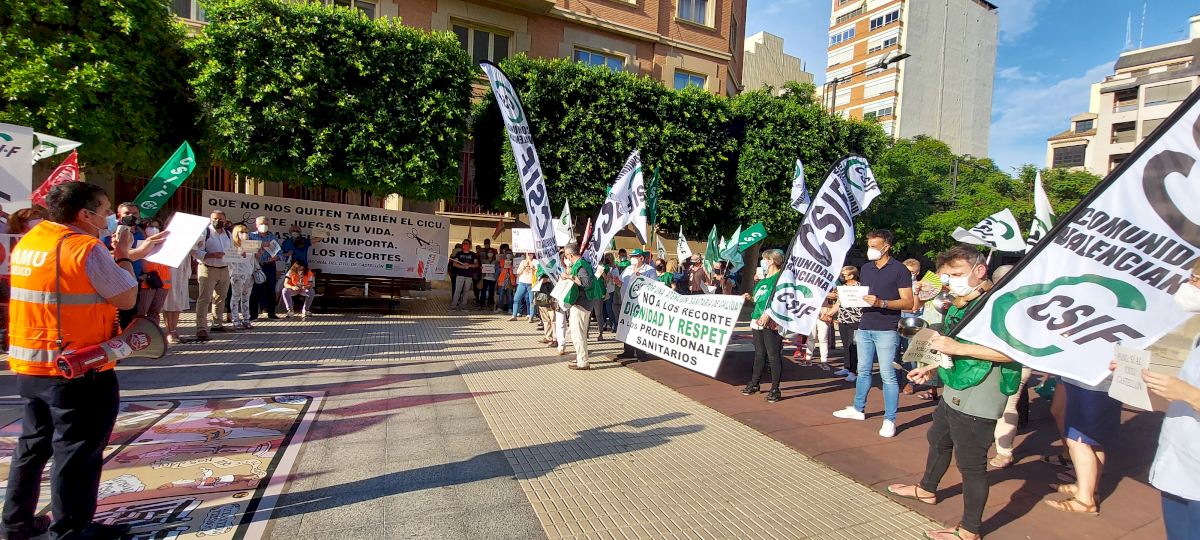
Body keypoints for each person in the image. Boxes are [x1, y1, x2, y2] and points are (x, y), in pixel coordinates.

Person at [3, 182, 166, 540]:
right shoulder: (85, 247)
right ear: (85, 214)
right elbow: (126, 298)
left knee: (32, 445)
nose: (108, 218)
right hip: (78, 366)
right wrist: (123, 256)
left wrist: (127, 254)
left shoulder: (33, 240)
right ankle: (71, 529)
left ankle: (16, 524)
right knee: (77, 450)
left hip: (32, 362)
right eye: (104, 210)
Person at [885, 245, 1021, 540]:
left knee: (971, 464)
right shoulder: (962, 303)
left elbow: (1013, 352)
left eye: (956, 274)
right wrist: (931, 368)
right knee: (938, 438)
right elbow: (953, 346)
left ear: (980, 270)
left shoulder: (1000, 304)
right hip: (955, 384)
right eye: (946, 276)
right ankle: (927, 489)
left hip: (980, 391)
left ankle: (970, 530)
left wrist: (956, 348)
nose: (950, 281)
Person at [833, 229, 916, 438]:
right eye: (868, 245)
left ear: (886, 247)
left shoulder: (899, 270)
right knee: (863, 370)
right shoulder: (866, 268)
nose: (869, 249)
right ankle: (858, 408)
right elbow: (863, 294)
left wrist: (882, 303)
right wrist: (852, 298)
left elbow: (908, 302)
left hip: (887, 328)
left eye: (873, 246)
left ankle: (889, 419)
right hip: (864, 325)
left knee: (888, 375)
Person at [1146, 262, 1200, 540]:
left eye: (1197, 279)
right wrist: (1139, 372)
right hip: (1181, 464)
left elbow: (1188, 390)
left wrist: (1188, 394)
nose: (1190, 285)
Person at [987, 264, 1032, 469]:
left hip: (1014, 361)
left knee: (1008, 406)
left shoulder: (1023, 303)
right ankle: (1001, 447)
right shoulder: (1030, 300)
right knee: (1001, 405)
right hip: (997, 358)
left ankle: (1004, 451)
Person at [742, 250, 785, 402]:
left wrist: (769, 313)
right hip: (757, 319)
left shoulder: (780, 278)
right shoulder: (763, 279)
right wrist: (750, 298)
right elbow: (759, 299)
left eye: (765, 259)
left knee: (773, 355)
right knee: (759, 353)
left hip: (771, 320)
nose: (763, 262)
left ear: (772, 261)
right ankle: (755, 383)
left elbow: (780, 300)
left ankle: (775, 389)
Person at [102, 202, 145, 329]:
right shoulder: (110, 232)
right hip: (117, 280)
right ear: (119, 215)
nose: (131, 216)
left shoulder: (140, 232)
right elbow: (105, 254)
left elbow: (143, 255)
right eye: (127, 213)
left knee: (133, 317)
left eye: (135, 213)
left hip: (136, 279)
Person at [194, 211, 233, 340]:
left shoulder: (228, 234)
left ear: (225, 220)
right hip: (208, 268)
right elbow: (195, 250)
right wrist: (211, 255)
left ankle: (217, 324)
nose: (217, 221)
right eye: (215, 218)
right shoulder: (205, 233)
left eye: (220, 219)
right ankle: (201, 328)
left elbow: (232, 250)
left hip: (224, 269)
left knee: (221, 298)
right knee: (205, 298)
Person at [562, 244, 599, 370]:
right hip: (581, 302)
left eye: (566, 255)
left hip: (581, 303)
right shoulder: (579, 264)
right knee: (579, 333)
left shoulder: (581, 265)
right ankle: (581, 359)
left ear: (570, 255)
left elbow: (586, 283)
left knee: (577, 333)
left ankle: (583, 362)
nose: (566, 258)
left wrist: (570, 277)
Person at [616, 249, 657, 361]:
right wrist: (617, 281)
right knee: (626, 327)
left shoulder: (649, 270)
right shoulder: (628, 268)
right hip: (627, 304)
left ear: (641, 258)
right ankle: (628, 351)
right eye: (631, 256)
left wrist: (638, 275)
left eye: (634, 256)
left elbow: (654, 285)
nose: (631, 258)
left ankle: (641, 353)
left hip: (640, 305)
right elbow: (621, 282)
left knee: (639, 329)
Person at [832, 265, 862, 383]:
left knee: (853, 345)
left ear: (852, 275)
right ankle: (847, 367)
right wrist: (829, 314)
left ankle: (853, 371)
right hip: (843, 319)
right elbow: (838, 303)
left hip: (855, 320)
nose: (842, 276)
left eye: (844, 274)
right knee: (846, 345)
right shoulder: (842, 288)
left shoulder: (860, 287)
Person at [248, 217, 281, 320]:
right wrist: (261, 245)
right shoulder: (251, 236)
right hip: (256, 266)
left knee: (271, 290)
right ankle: (253, 314)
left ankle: (272, 313)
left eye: (266, 224)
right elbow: (246, 248)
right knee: (254, 291)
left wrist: (276, 257)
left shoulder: (272, 237)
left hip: (270, 266)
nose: (264, 226)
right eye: (262, 224)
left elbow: (280, 253)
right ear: (256, 225)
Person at [228, 224, 257, 330]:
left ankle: (246, 319)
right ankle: (235, 320)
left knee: (246, 298)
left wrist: (258, 252)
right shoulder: (232, 245)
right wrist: (240, 253)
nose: (244, 234)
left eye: (246, 232)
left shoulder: (250, 245)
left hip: (249, 274)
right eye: (242, 232)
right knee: (235, 298)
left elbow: (253, 260)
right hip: (237, 275)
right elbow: (229, 260)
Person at [449, 239, 478, 310]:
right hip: (460, 275)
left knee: (466, 291)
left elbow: (476, 264)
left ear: (470, 245)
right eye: (464, 243)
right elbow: (454, 264)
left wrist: (469, 265)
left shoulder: (473, 254)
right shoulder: (458, 253)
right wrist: (463, 266)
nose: (465, 245)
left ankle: (463, 306)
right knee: (457, 290)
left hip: (469, 276)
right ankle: (453, 306)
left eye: (466, 243)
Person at [510, 252, 537, 322]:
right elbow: (518, 272)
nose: (530, 255)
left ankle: (531, 317)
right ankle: (514, 316)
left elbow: (538, 272)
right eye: (528, 254)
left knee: (531, 301)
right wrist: (524, 267)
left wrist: (532, 268)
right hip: (522, 283)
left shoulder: (535, 262)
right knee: (516, 299)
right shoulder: (523, 262)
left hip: (531, 284)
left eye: (531, 253)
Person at [496, 245, 514, 313]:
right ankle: (499, 308)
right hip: (502, 281)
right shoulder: (501, 261)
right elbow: (498, 271)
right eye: (507, 253)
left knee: (510, 296)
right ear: (505, 254)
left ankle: (510, 309)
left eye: (510, 253)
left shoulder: (514, 262)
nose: (508, 254)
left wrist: (513, 268)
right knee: (500, 296)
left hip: (510, 281)